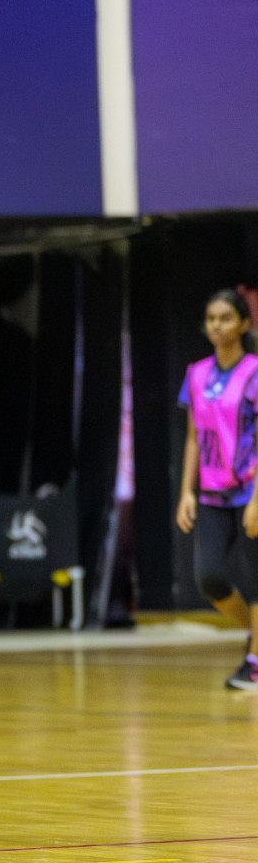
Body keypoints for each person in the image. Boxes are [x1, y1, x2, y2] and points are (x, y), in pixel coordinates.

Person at [175, 289, 258, 690]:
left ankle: (256, 662)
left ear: (244, 323)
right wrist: (186, 492)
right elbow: (193, 437)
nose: (216, 326)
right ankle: (255, 635)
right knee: (208, 578)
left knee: (256, 578)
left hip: (250, 491)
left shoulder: (255, 372)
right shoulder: (197, 373)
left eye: (225, 318)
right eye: (211, 318)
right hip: (210, 492)